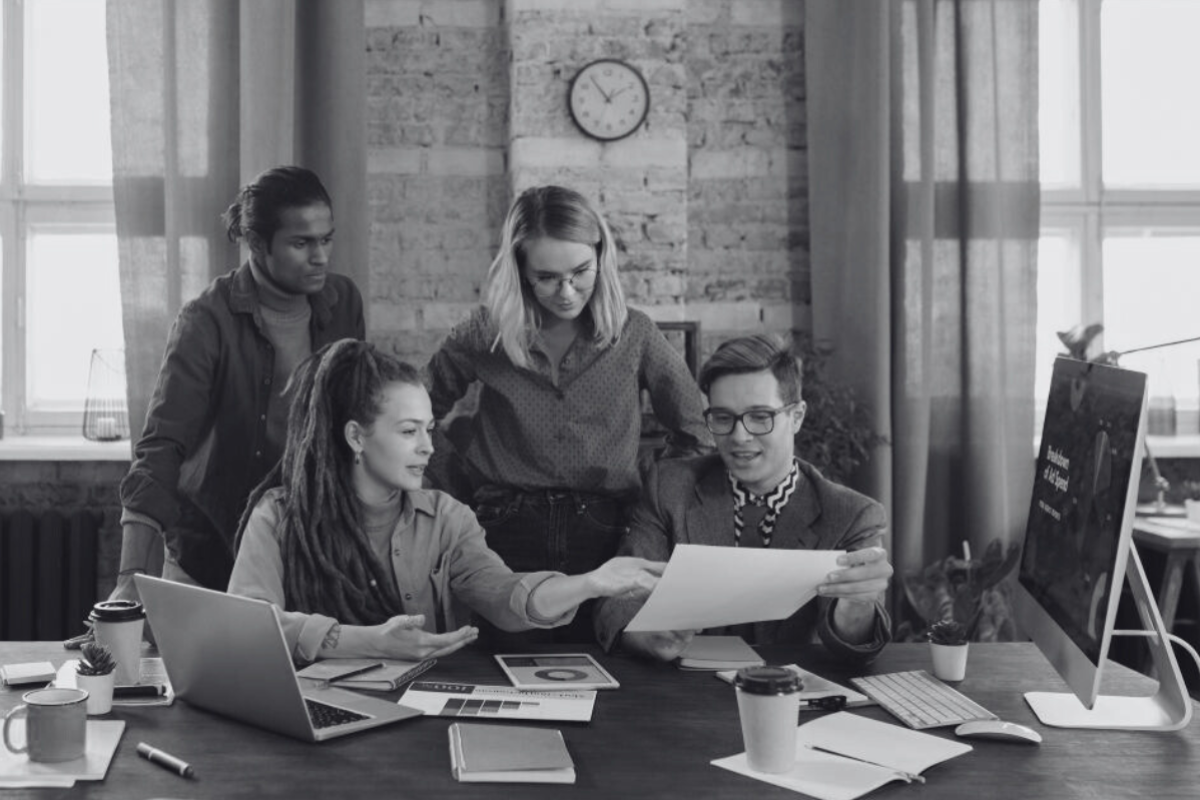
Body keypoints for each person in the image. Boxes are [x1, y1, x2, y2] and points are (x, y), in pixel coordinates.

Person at [228, 340, 664, 662]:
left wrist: (590, 582)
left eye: (429, 429)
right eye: (408, 431)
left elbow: (505, 595)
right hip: (313, 718)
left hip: (424, 724)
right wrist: (364, 640)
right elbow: (247, 628)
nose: (428, 447)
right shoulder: (278, 516)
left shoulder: (447, 518)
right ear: (356, 436)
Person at [425, 185, 711, 644]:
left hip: (605, 532)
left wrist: (652, 494)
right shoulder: (484, 333)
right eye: (547, 277)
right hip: (501, 532)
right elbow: (416, 413)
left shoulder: (635, 334)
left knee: (609, 676)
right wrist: (456, 484)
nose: (566, 291)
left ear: (602, 256)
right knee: (504, 668)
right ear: (520, 270)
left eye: (580, 272)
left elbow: (697, 431)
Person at [113, 166, 365, 604]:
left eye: (326, 240)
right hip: (213, 555)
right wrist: (131, 575)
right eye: (301, 243)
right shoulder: (207, 319)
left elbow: (358, 419)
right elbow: (162, 447)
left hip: (313, 556)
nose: (320, 256)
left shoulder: (344, 302)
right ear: (258, 243)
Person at [594, 334, 894, 663]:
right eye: (723, 418)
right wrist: (646, 637)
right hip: (684, 692)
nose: (739, 436)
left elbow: (852, 646)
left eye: (760, 417)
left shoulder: (853, 514)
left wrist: (857, 604)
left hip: (791, 697)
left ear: (796, 417)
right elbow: (617, 600)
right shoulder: (669, 486)